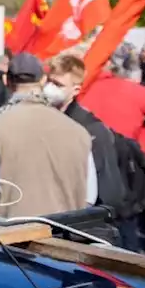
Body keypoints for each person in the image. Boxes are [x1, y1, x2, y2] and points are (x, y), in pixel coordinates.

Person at [0, 53, 96, 219]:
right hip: (70, 235)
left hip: (14, 236)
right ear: (43, 80)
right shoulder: (78, 131)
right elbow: (89, 197)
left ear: (6, 81)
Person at [49, 55, 125, 217]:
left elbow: (108, 187)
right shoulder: (45, 119)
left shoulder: (92, 130)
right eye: (49, 82)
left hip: (79, 218)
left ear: (75, 90)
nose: (50, 89)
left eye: (58, 85)